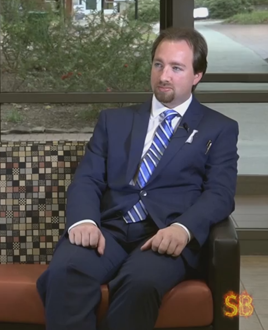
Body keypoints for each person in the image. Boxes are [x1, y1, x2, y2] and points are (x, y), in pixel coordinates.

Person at [36, 27, 239, 330]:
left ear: (197, 75)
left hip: (164, 235)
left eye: (176, 67)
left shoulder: (219, 128)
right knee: (66, 271)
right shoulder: (113, 121)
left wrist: (183, 229)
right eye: (158, 64)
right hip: (110, 230)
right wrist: (84, 221)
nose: (164, 75)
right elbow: (87, 179)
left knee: (139, 283)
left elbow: (220, 193)